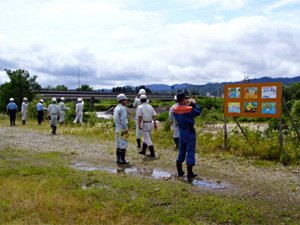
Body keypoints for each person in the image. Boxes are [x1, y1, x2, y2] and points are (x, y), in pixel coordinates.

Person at [173, 92, 201, 178]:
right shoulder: (189, 108)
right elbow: (198, 112)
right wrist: (194, 103)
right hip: (190, 131)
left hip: (182, 131)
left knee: (182, 150)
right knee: (190, 151)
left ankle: (180, 170)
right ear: (184, 99)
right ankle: (190, 172)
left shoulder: (175, 109)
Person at [114, 93, 129, 164]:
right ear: (122, 100)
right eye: (125, 100)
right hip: (122, 129)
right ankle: (122, 160)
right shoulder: (123, 108)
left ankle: (118, 159)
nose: (126, 101)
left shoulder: (116, 108)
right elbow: (123, 119)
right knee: (123, 144)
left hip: (117, 128)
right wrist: (125, 128)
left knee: (118, 144)